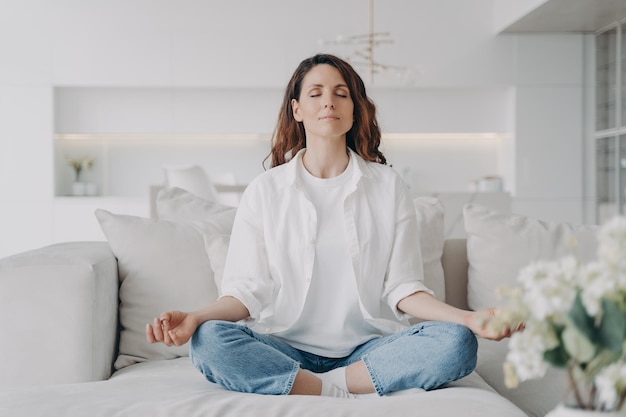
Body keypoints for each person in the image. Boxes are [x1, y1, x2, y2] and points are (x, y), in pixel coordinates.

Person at [146, 53, 517, 398]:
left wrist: (468, 318)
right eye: (316, 93)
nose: (329, 102)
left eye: (342, 94)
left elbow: (404, 289)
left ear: (355, 110)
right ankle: (335, 387)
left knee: (456, 342)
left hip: (368, 349)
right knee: (209, 340)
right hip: (284, 347)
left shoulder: (388, 186)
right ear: (297, 109)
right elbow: (246, 292)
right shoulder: (265, 190)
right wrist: (197, 316)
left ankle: (321, 386)